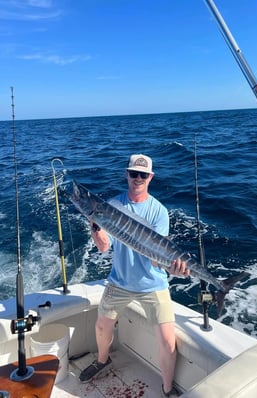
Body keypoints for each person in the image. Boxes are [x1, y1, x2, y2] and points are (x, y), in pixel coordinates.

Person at [79, 154, 190, 397]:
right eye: (133, 173)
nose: (137, 178)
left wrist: (173, 268)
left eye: (142, 174)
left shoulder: (159, 211)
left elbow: (156, 256)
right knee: (101, 326)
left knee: (168, 341)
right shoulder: (111, 205)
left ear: (150, 177)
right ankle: (102, 360)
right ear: (126, 174)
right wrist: (95, 227)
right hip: (120, 281)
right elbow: (104, 247)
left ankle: (168, 388)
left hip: (153, 283)